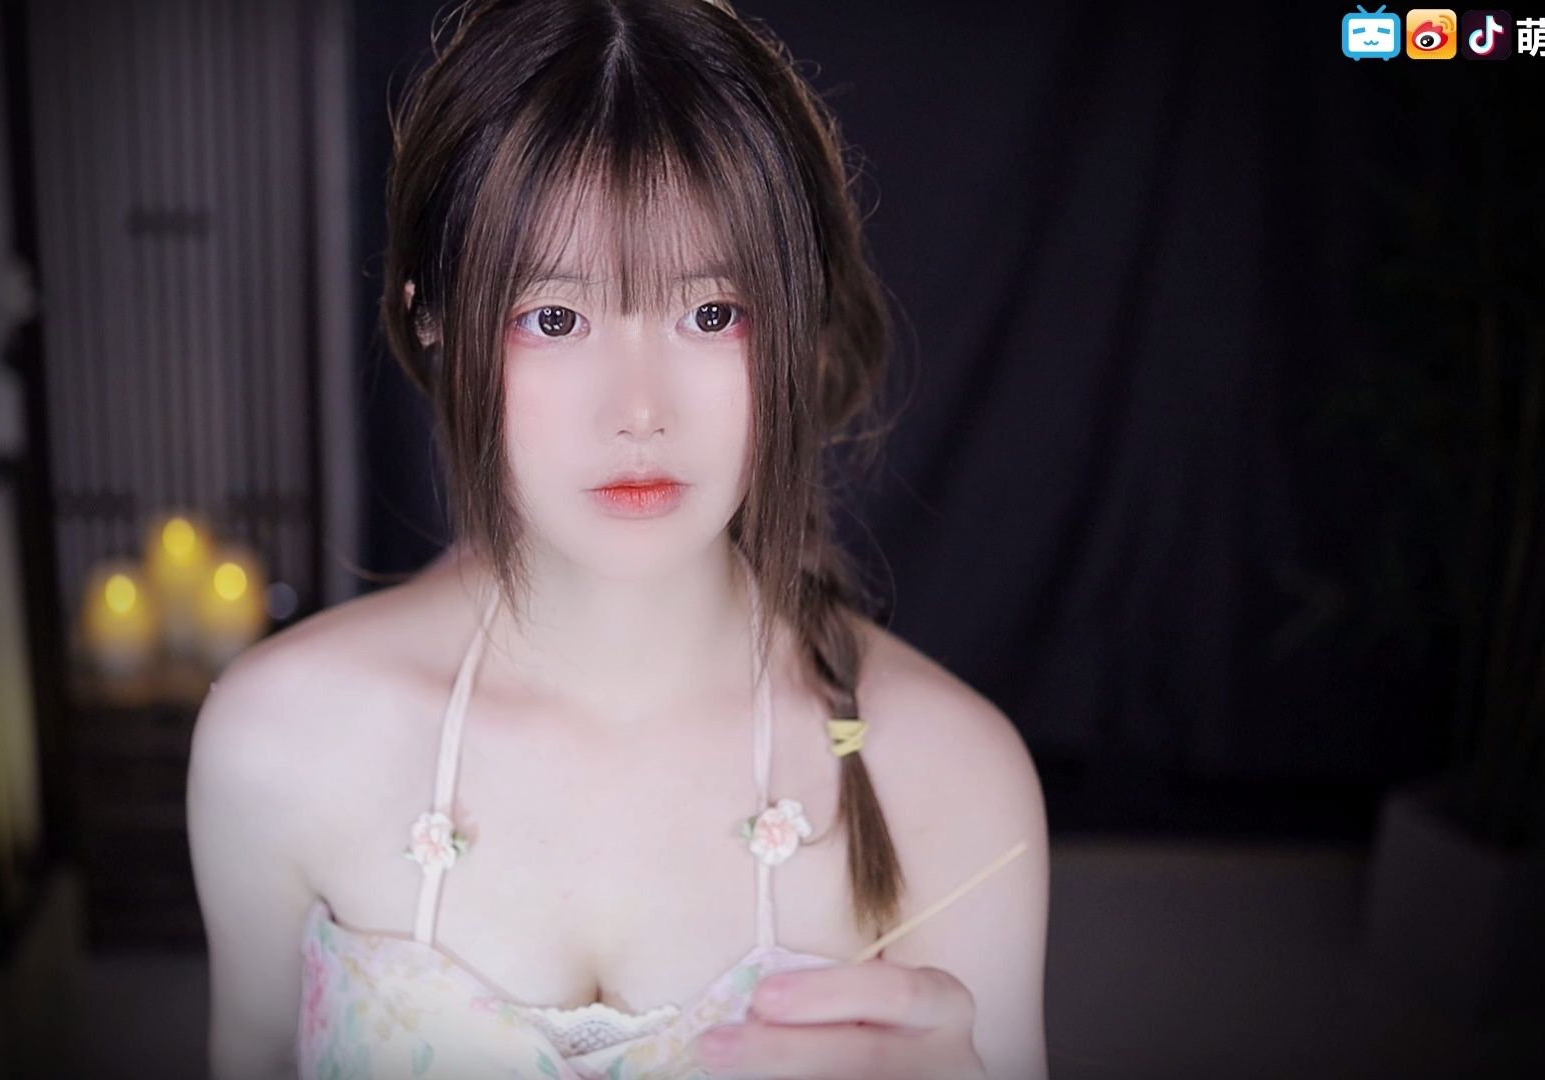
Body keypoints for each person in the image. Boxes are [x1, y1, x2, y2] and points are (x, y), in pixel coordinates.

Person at [186, 1, 1050, 1077]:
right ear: (430, 315)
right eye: (554, 318)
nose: (639, 411)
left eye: (711, 314)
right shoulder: (279, 739)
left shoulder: (953, 778)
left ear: (800, 317)